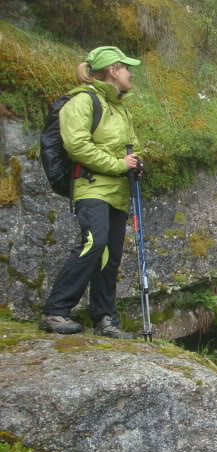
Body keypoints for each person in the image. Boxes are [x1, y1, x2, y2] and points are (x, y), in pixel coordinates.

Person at [40, 46, 143, 339]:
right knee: (93, 243)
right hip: (92, 187)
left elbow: (130, 148)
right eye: (126, 67)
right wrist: (117, 164)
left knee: (109, 257)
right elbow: (77, 145)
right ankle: (56, 311)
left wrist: (135, 163)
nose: (130, 72)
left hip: (118, 192)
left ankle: (105, 319)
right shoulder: (82, 101)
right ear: (112, 70)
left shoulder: (121, 107)